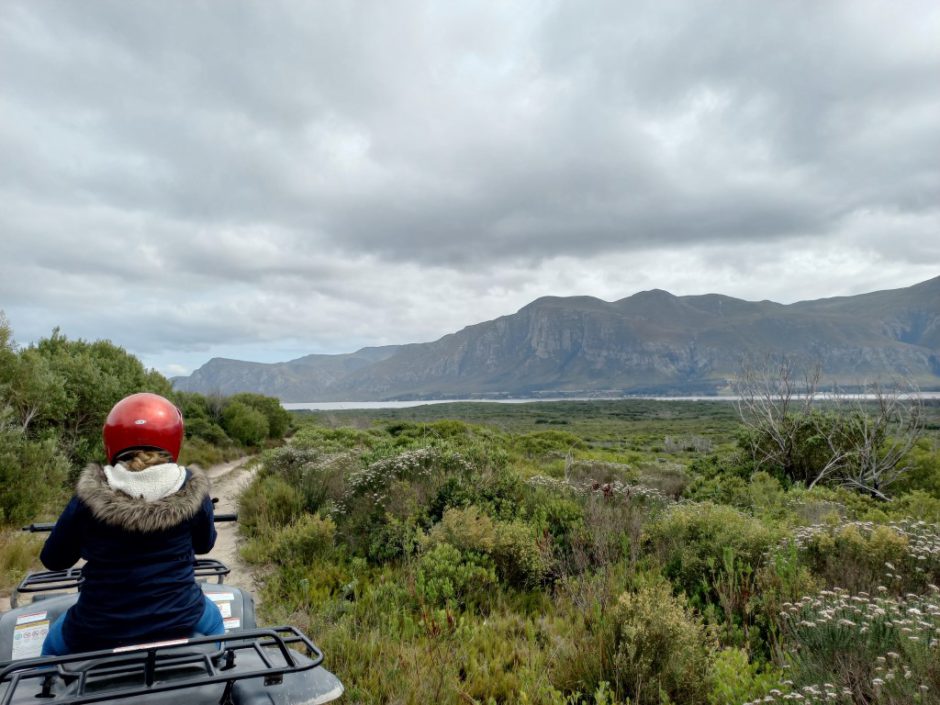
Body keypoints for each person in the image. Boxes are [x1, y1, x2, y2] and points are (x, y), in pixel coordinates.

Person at [40, 392, 224, 656]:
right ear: (174, 439)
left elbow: (53, 560)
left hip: (98, 625)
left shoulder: (88, 496)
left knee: (50, 648)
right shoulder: (193, 491)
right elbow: (205, 545)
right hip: (181, 615)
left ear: (112, 440)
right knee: (217, 624)